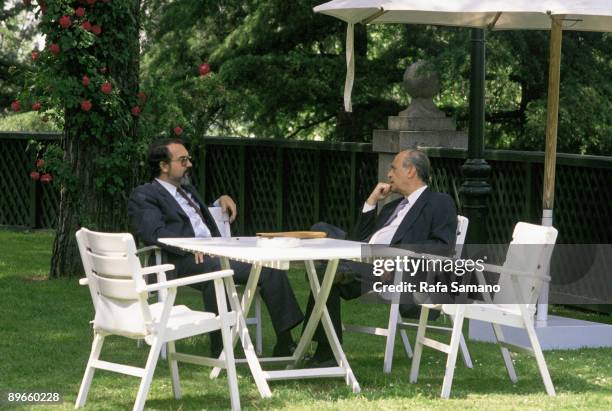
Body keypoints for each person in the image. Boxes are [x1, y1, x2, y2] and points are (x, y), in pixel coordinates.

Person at [128, 138, 303, 357]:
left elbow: (191, 218)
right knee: (217, 273)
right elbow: (153, 232)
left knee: (270, 266)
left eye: (189, 159)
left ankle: (285, 342)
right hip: (175, 260)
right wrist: (189, 246)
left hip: (213, 253)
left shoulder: (185, 190)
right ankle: (222, 349)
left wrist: (220, 200)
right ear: (163, 166)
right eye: (182, 160)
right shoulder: (145, 194)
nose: (189, 164)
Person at [305, 149, 457, 366]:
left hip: (392, 271)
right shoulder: (393, 206)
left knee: (323, 274)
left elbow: (442, 247)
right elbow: (360, 239)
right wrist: (371, 202)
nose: (389, 175)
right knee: (320, 231)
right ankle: (339, 273)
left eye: (393, 168)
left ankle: (327, 352)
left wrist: (395, 259)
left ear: (411, 171)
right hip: (364, 258)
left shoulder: (438, 202)